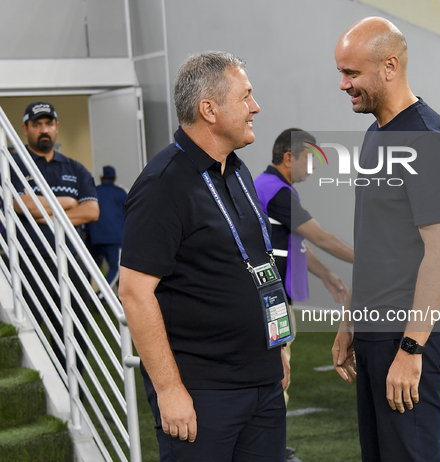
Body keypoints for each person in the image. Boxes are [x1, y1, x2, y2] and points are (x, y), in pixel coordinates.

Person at [118, 52, 287, 461]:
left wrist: (278, 346)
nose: (256, 107)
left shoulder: (238, 170)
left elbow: (256, 264)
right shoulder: (162, 185)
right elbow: (135, 293)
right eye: (245, 96)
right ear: (208, 109)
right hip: (202, 394)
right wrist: (170, 390)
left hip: (262, 387)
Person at [330, 18, 440, 462]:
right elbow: (377, 243)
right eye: (341, 73)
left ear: (389, 66)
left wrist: (411, 347)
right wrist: (352, 318)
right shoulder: (375, 135)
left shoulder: (426, 138)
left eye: (351, 73)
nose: (343, 84)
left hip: (411, 334)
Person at [254, 128, 354, 462]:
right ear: (288, 158)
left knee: (274, 374)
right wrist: (369, 260)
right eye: (308, 159)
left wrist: (326, 274)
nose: (311, 168)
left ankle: (270, 447)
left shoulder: (269, 189)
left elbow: (298, 244)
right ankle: (272, 450)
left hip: (272, 301)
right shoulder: (276, 192)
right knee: (278, 376)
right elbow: (321, 237)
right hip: (273, 302)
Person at [12, 101, 100, 369]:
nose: (44, 130)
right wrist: (68, 203)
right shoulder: (12, 165)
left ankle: (76, 403)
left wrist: (43, 213)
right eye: (37, 125)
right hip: (28, 262)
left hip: (71, 262)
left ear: (57, 127)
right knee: (28, 335)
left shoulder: (75, 168)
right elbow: (19, 204)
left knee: (74, 337)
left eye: (48, 124)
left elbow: (92, 211)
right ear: (25, 129)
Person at [86, 165, 127, 287]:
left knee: (92, 269)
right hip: (116, 238)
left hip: (95, 237)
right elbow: (130, 213)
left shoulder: (93, 191)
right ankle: (100, 297)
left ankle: (87, 297)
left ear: (100, 177)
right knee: (116, 268)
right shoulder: (121, 193)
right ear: (115, 178)